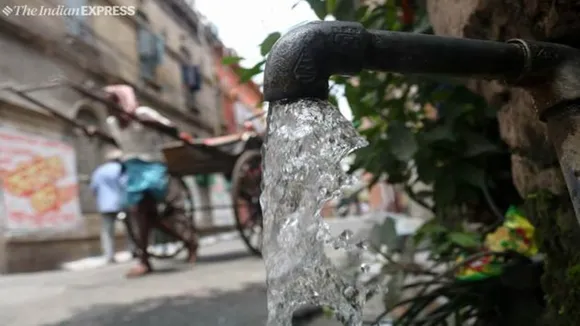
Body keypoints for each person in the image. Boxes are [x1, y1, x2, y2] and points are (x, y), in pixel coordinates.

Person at [102, 84, 198, 277]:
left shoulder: (143, 112)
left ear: (122, 101)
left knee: (141, 211)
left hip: (152, 166)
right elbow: (121, 143)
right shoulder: (112, 122)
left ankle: (144, 260)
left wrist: (149, 123)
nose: (109, 108)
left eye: (113, 103)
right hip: (132, 169)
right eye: (107, 105)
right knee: (148, 218)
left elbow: (172, 128)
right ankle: (187, 242)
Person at [90, 147, 135, 264]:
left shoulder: (99, 171)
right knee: (129, 228)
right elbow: (126, 184)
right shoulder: (121, 169)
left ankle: (109, 255)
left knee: (107, 231)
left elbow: (94, 188)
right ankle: (133, 250)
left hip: (105, 205)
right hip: (121, 202)